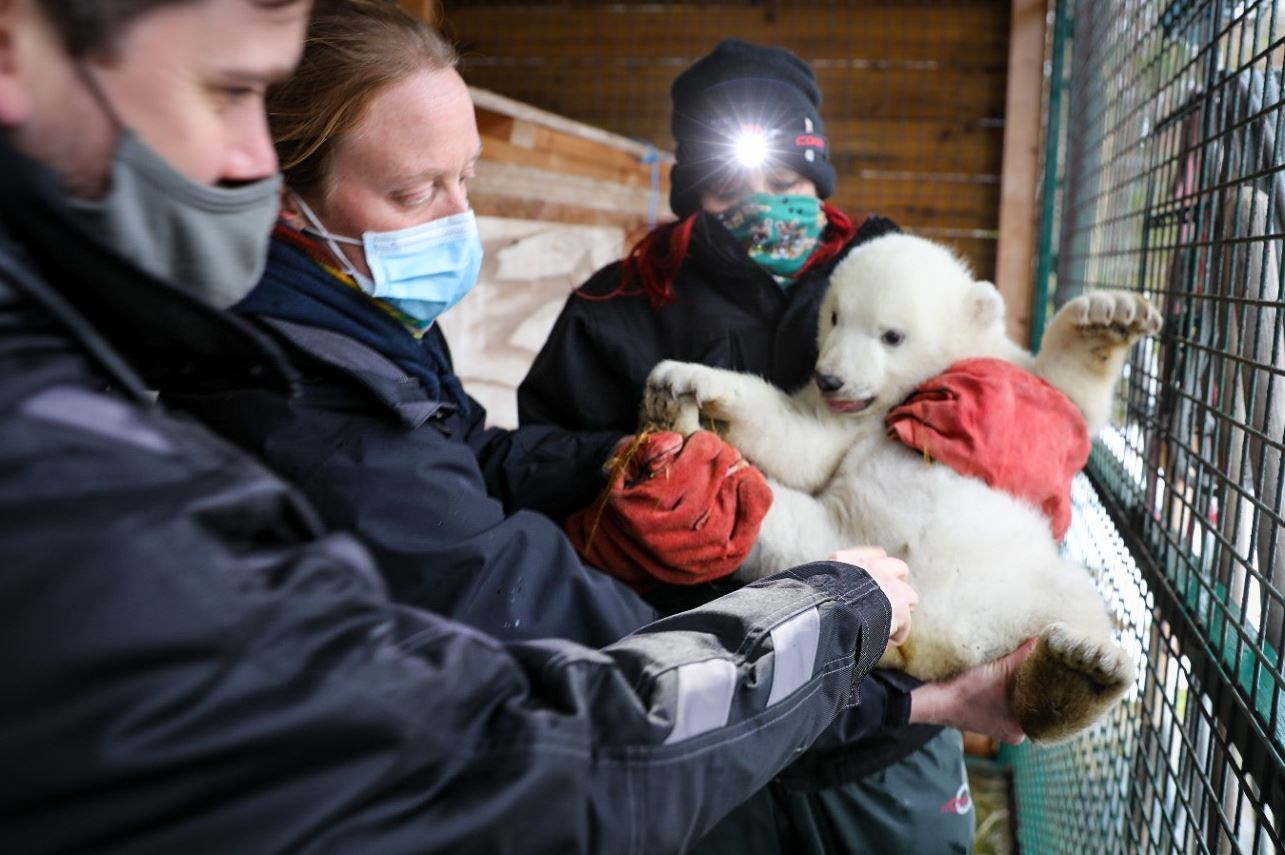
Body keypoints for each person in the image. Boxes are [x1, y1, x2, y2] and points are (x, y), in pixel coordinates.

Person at [0, 0, 932, 850]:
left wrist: (614, 460)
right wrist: (848, 650)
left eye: (469, 178)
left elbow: (466, 455)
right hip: (742, 682)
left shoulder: (361, 329)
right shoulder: (592, 313)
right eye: (415, 193)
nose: (462, 221)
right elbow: (531, 661)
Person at [520, 38, 1073, 854]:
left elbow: (1006, 388)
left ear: (816, 172)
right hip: (707, 720)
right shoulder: (619, 307)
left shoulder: (889, 273)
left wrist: (1017, 437)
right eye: (727, 182)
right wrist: (622, 467)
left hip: (888, 717)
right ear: (688, 186)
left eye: (783, 180)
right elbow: (537, 460)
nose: (761, 201)